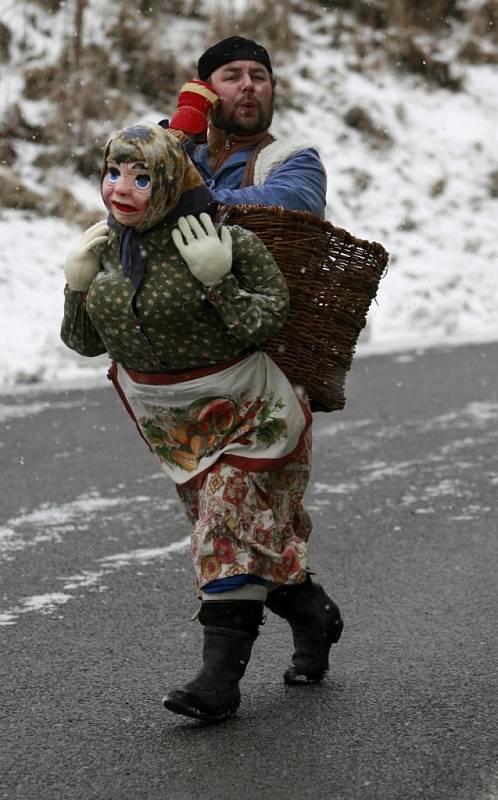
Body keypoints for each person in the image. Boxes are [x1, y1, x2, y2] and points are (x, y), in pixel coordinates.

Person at [61, 120, 342, 722]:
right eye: (114, 172)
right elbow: (85, 344)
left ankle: (218, 681)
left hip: (252, 411)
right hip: (178, 428)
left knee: (224, 526)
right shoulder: (108, 247)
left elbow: (268, 323)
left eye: (141, 176)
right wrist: (76, 287)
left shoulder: (225, 240)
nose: (122, 188)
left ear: (169, 181)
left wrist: (219, 282)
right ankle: (313, 612)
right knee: (251, 539)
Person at [166, 35, 327, 217]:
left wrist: (176, 204)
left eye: (258, 77)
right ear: (207, 91)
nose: (249, 85)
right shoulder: (181, 151)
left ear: (272, 90)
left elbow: (295, 202)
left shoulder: (296, 158)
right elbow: (134, 182)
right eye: (232, 77)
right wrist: (180, 130)